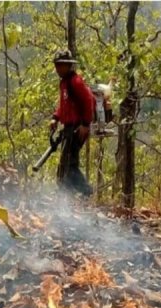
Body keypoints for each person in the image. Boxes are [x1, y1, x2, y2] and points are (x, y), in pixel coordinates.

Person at [49, 50, 94, 197]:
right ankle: (64, 199)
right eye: (57, 65)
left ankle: (86, 191)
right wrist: (55, 117)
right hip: (68, 128)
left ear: (68, 66)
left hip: (77, 128)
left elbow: (88, 101)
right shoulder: (64, 83)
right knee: (64, 166)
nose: (58, 69)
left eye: (61, 65)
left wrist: (85, 124)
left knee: (70, 165)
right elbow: (64, 106)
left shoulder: (76, 82)